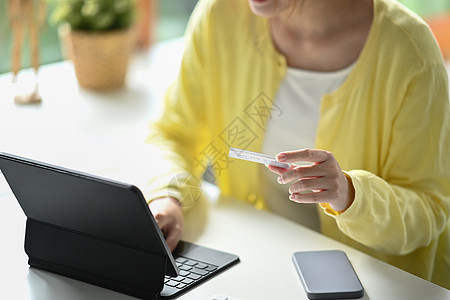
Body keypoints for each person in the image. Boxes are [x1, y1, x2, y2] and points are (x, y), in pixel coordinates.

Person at [145, 0, 450, 289]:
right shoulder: (221, 14)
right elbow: (174, 133)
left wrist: (350, 194)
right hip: (259, 263)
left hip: (376, 282)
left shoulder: (410, 52)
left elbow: (429, 210)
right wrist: (168, 196)